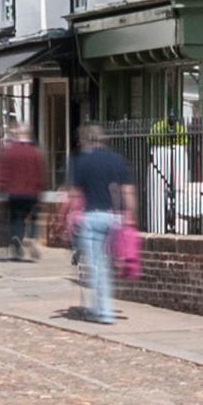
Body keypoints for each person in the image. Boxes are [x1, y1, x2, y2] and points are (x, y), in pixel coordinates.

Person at [67, 132, 134, 324]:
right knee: (104, 265)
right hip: (112, 218)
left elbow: (75, 193)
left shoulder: (82, 162)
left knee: (97, 266)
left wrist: (71, 215)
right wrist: (129, 215)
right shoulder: (117, 161)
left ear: (89, 141)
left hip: (90, 218)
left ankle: (103, 311)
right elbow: (127, 191)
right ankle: (99, 308)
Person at [0, 126, 48, 263]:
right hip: (32, 193)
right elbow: (40, 173)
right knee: (34, 217)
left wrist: (0, 188)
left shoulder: (9, 152)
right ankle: (33, 239)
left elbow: (3, 172)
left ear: (17, 135)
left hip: (14, 192)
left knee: (17, 218)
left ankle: (16, 238)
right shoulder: (35, 152)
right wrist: (41, 189)